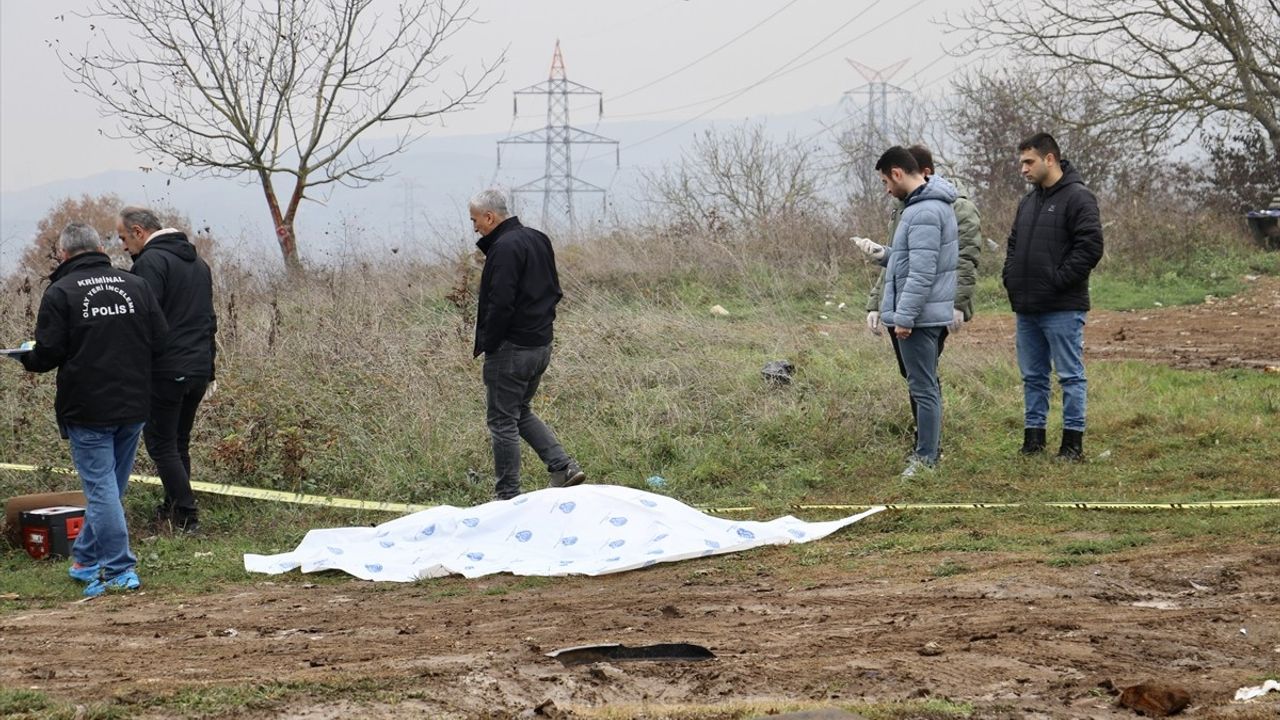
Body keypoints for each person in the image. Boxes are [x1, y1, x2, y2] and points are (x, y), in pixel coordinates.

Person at [15, 223, 168, 596]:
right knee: (111, 488)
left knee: (101, 491)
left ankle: (118, 568)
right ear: (100, 247)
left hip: (87, 408)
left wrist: (26, 357)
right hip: (134, 403)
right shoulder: (135, 284)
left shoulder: (61, 292)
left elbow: (47, 354)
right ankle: (85, 559)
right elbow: (161, 340)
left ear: (64, 255)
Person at [857, 145, 983, 452]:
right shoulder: (914, 208)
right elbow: (908, 260)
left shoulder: (925, 211)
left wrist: (904, 317)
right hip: (914, 310)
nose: (886, 190)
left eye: (886, 182)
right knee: (919, 382)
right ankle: (925, 450)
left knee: (924, 388)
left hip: (920, 315)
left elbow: (922, 272)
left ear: (898, 173)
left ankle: (926, 456)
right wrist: (881, 255)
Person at [468, 189, 586, 500]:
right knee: (518, 410)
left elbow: (501, 303)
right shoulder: (538, 238)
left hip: (512, 349)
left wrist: (491, 343)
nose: (475, 228)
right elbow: (554, 290)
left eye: (476, 220)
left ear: (490, 217)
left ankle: (507, 495)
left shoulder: (504, 248)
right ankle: (563, 468)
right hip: (541, 344)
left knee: (502, 420)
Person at [1003, 133, 1104, 461]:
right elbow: (1014, 244)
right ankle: (1033, 442)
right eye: (1021, 163)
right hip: (1027, 306)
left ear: (1050, 159)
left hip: (1062, 306)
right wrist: (1012, 280)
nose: (1023, 169)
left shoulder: (1079, 198)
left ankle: (1072, 446)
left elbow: (1090, 247)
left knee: (1070, 376)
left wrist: (1057, 281)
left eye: (1028, 161)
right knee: (1033, 377)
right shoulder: (1027, 202)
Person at [118, 207, 217, 533]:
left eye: (122, 238)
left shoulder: (150, 263)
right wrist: (209, 368)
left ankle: (188, 517)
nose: (122, 247)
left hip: (166, 369)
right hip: (198, 369)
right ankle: (174, 508)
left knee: (162, 445)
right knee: (178, 444)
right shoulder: (199, 265)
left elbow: (144, 319)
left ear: (138, 231)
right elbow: (209, 320)